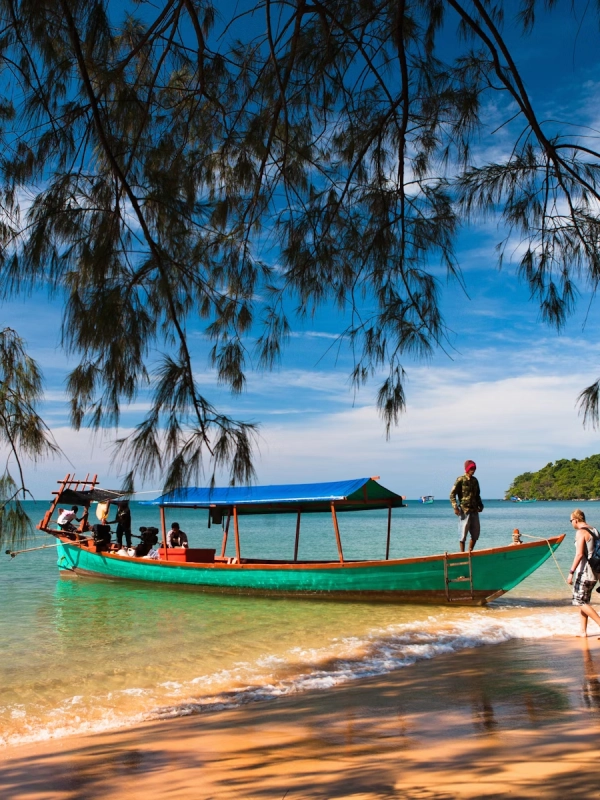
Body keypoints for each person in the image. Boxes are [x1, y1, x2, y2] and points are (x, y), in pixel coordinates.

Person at [567, 509, 600, 637]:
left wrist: (571, 572)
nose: (571, 523)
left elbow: (580, 554)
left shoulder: (581, 532)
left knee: (579, 601)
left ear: (576, 520)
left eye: (571, 521)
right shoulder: (595, 530)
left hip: (585, 572)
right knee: (584, 601)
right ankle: (583, 631)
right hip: (596, 571)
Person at [449, 460, 484, 552]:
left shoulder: (475, 481)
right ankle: (462, 552)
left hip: (474, 510)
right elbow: (452, 494)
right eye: (471, 468)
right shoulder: (460, 479)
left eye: (474, 469)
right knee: (463, 533)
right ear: (467, 469)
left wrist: (480, 505)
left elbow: (477, 495)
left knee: (476, 533)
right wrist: (455, 507)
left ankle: (470, 551)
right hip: (464, 510)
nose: (473, 470)